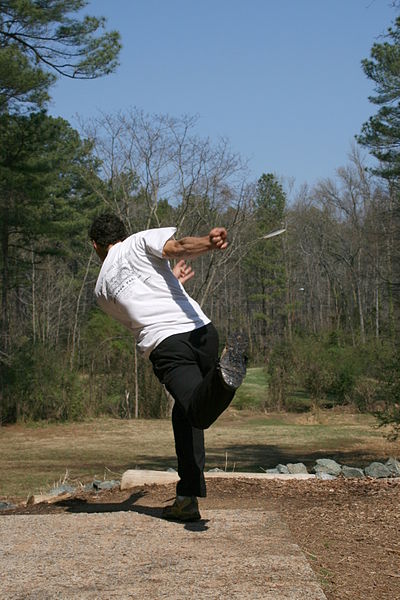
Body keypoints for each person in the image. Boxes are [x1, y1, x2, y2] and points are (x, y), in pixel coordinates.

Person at [89, 212, 247, 521]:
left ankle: (225, 380)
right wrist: (209, 243)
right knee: (184, 413)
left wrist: (174, 271)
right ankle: (187, 498)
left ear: (95, 245)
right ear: (124, 233)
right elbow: (178, 247)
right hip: (203, 333)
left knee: (198, 411)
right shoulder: (139, 241)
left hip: (168, 346)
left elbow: (138, 313)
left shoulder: (101, 292)